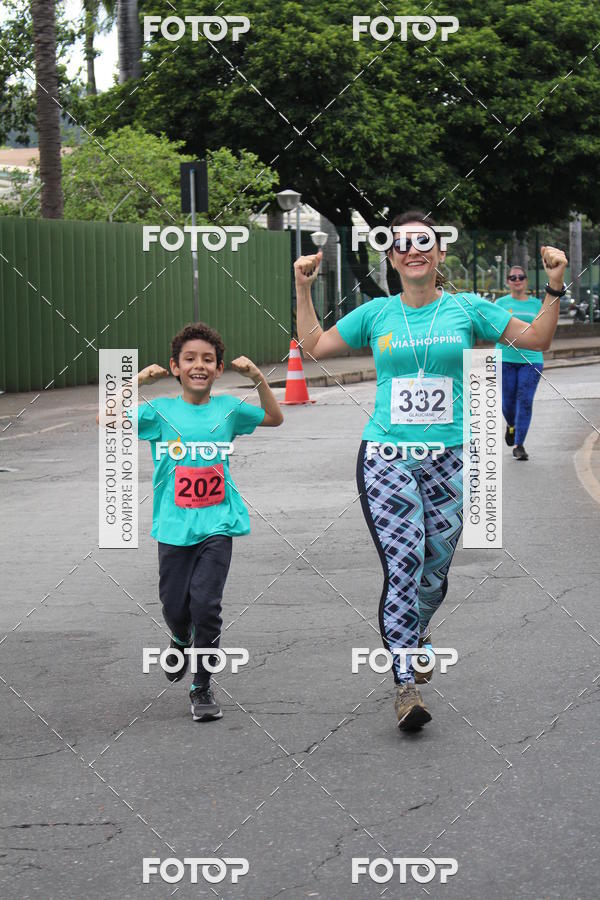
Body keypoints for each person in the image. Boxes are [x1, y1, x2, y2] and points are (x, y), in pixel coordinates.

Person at [295, 211, 567, 731]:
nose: (413, 250)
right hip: (386, 456)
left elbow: (537, 339)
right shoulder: (377, 314)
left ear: (440, 254)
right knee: (403, 563)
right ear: (392, 258)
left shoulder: (468, 309)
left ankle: (414, 633)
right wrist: (303, 290)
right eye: (402, 244)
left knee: (434, 568)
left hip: (451, 457)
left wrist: (553, 284)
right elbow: (315, 347)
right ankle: (405, 684)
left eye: (424, 241)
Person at [98, 322, 283, 721]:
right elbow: (106, 420)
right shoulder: (159, 412)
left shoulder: (229, 409)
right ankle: (180, 638)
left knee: (206, 606)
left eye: (208, 360)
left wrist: (257, 377)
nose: (199, 365)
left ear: (219, 369)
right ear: (175, 367)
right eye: (190, 359)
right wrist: (135, 381)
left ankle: (201, 686)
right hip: (173, 527)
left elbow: (274, 417)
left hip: (218, 524)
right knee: (174, 606)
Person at [494, 266, 544, 461]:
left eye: (521, 277)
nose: (517, 280)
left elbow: (543, 329)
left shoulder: (536, 304)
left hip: (531, 360)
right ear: (507, 281)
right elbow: (493, 327)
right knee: (508, 402)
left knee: (525, 400)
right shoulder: (500, 303)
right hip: (505, 359)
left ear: (526, 281)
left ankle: (519, 444)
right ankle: (511, 425)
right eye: (513, 277)